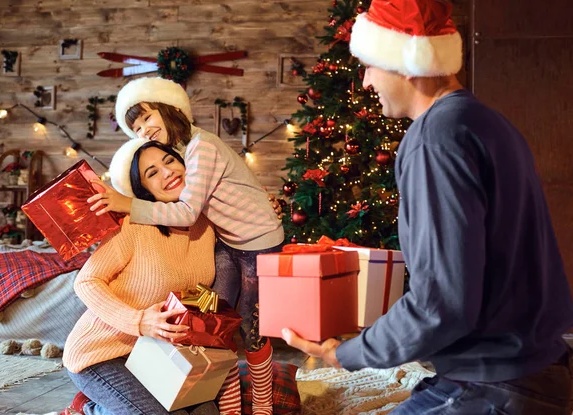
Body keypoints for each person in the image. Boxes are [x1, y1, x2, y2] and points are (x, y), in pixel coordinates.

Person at [282, 0, 573, 414]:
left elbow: (441, 303)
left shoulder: (433, 139)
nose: (365, 83)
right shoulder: (486, 121)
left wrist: (346, 354)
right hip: (533, 370)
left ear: (404, 61)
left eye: (368, 65)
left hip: (494, 386)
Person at [86, 77, 284, 415]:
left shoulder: (201, 147)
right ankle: (230, 406)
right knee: (215, 320)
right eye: (135, 127)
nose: (144, 129)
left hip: (257, 244)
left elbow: (190, 211)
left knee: (250, 326)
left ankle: (262, 404)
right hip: (228, 243)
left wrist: (127, 204)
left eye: (147, 117)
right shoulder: (179, 158)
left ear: (169, 108)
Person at [63, 139, 225, 415]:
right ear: (144, 191)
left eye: (170, 161)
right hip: (100, 355)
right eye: (152, 173)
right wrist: (138, 321)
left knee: (206, 412)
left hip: (155, 355)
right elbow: (86, 282)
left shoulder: (206, 225)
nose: (167, 172)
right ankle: (90, 409)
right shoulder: (134, 226)